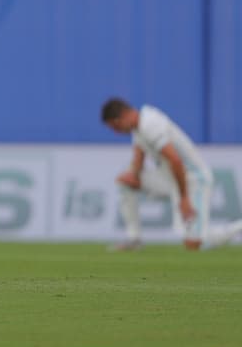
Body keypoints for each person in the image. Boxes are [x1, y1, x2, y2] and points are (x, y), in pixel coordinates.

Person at [101, 97, 242, 251]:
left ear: (122, 117)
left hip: (193, 180)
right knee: (124, 182)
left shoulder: (150, 125)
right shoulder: (138, 129)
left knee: (195, 244)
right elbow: (138, 158)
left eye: (115, 126)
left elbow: (176, 161)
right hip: (170, 179)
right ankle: (134, 238)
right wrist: (133, 175)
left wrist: (184, 199)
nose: (116, 131)